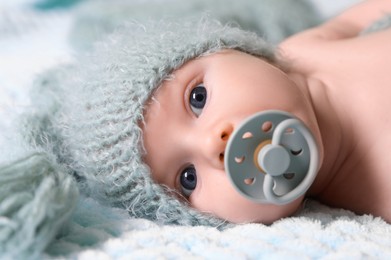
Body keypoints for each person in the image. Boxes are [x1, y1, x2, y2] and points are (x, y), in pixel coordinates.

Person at [141, 0, 391, 224]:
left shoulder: (301, 49)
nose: (211, 146)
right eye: (188, 179)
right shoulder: (378, 192)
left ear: (237, 51)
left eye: (198, 98)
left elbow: (358, 17)